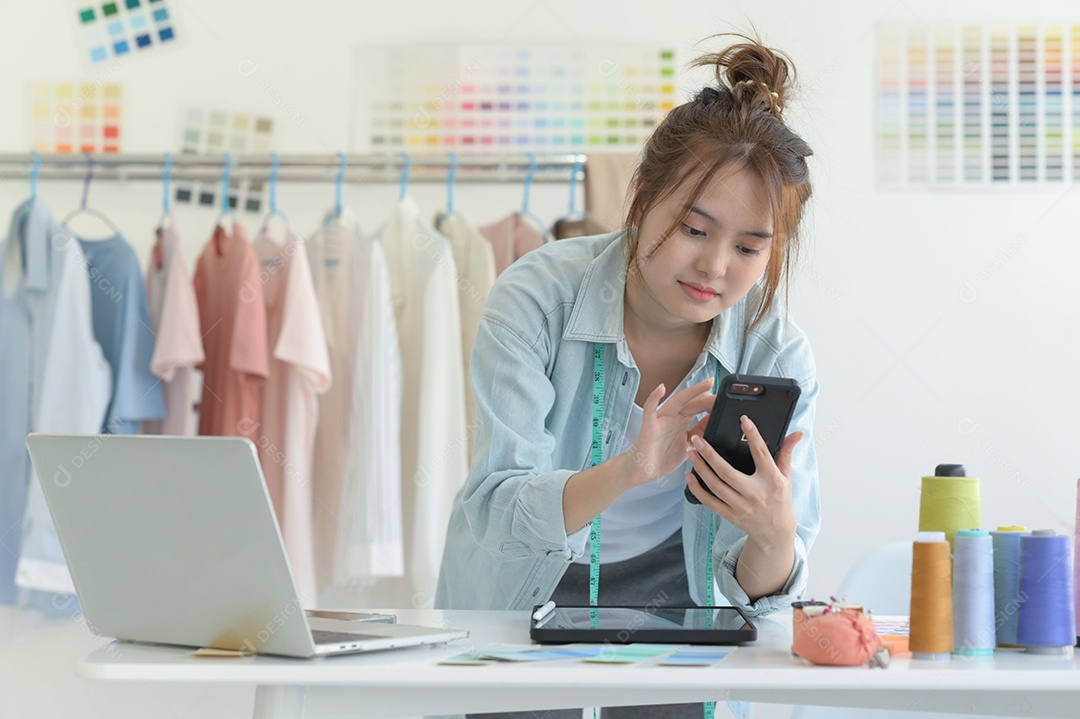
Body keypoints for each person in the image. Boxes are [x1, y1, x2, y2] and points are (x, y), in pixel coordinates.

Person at [436, 34, 820, 719]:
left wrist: (774, 536)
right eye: (695, 230)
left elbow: (760, 597)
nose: (715, 267)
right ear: (642, 198)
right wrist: (628, 469)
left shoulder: (778, 355)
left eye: (748, 247)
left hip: (682, 618)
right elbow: (495, 508)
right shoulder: (536, 298)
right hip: (519, 601)